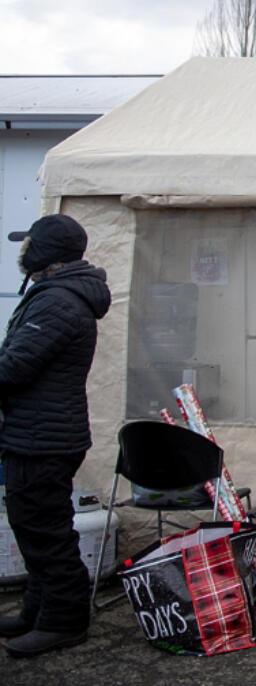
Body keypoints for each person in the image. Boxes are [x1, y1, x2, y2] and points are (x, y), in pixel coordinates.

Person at [1, 214, 111, 657]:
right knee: (35, 529)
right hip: (38, 431)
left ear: (45, 253)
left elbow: (12, 367)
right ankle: (38, 610)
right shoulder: (53, 294)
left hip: (44, 438)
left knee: (46, 533)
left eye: (26, 245)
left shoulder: (59, 302)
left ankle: (64, 620)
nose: (20, 252)